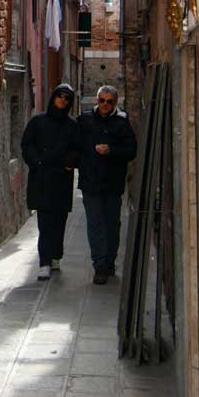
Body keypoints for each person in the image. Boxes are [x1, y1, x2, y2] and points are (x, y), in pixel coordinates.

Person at [77, 85, 137, 285]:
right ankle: (100, 265)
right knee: (95, 224)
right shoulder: (84, 120)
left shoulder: (122, 122)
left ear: (115, 103)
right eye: (102, 100)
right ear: (97, 100)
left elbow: (131, 151)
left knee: (112, 224)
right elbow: (75, 145)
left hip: (113, 182)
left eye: (109, 101)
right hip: (90, 181)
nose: (104, 104)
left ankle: (109, 261)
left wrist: (111, 150)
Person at [21, 83, 79, 281]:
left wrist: (69, 162)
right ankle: (44, 262)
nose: (62, 100)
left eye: (66, 98)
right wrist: (36, 162)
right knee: (45, 222)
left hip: (61, 178)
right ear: (53, 97)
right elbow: (26, 144)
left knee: (59, 221)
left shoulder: (72, 126)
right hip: (42, 178)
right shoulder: (37, 122)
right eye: (60, 96)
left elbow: (77, 149)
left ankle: (55, 256)